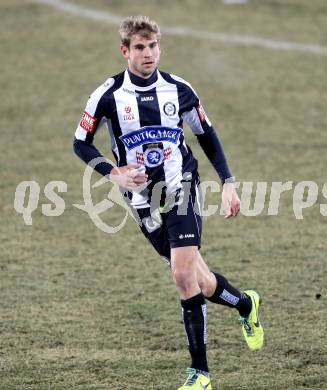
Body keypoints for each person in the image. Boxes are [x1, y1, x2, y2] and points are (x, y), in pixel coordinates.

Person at [73, 15, 264, 390]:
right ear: (125, 51)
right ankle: (246, 305)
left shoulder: (179, 90)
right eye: (140, 48)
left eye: (153, 46)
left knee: (180, 275)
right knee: (200, 281)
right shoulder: (108, 95)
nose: (149, 54)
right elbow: (80, 142)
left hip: (181, 187)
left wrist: (228, 182)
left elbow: (206, 135)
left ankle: (201, 374)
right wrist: (114, 173)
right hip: (141, 199)